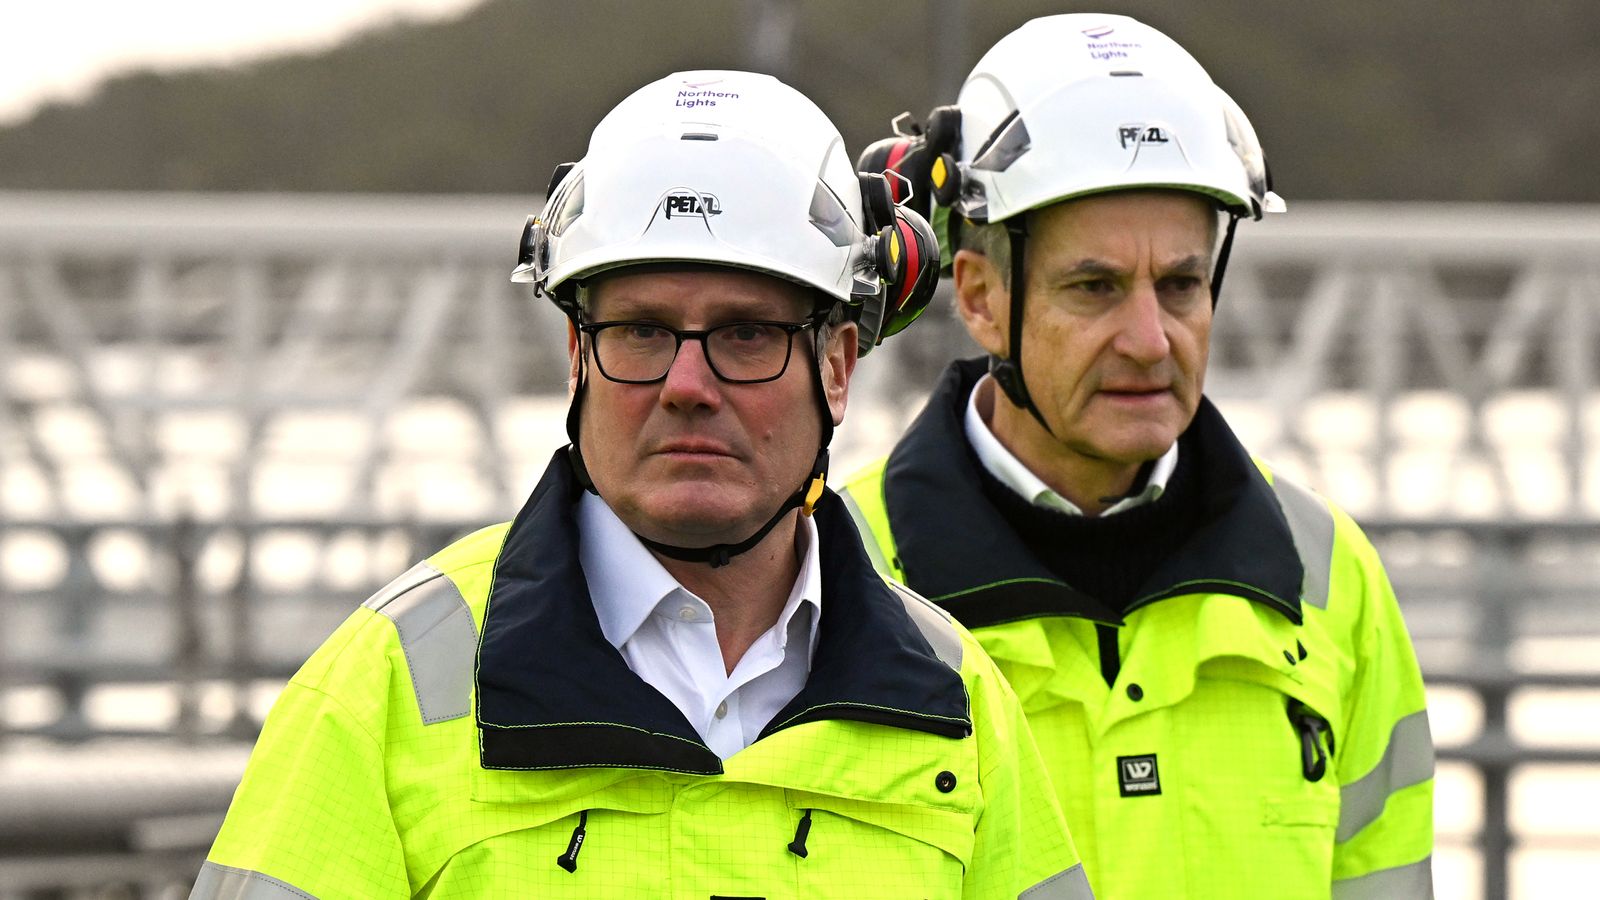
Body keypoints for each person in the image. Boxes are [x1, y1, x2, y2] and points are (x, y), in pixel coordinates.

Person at [192, 69, 1091, 899]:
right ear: (579, 355)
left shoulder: (955, 702)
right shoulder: (383, 689)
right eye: (642, 332)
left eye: (747, 335)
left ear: (839, 365)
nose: (687, 386)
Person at [842, 15, 1434, 899]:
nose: (1152, 341)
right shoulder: (844, 581)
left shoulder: (1329, 581)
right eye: (1096, 288)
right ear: (980, 296)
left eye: (1182, 285)